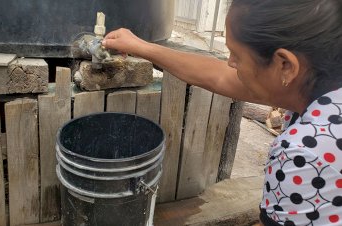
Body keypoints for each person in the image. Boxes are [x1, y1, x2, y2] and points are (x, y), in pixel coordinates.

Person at [102, 0, 342, 225]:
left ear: (285, 66)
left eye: (236, 55)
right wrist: (141, 46)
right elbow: (219, 76)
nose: (230, 63)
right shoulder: (320, 82)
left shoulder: (304, 151)